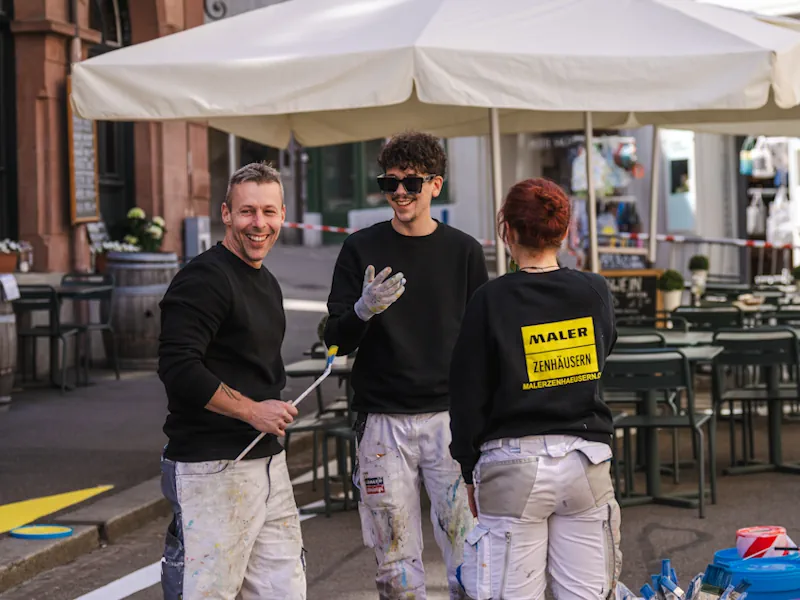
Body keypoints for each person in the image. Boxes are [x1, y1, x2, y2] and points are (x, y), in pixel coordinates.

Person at [324, 131, 489, 599]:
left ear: (436, 185)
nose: (399, 192)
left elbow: (482, 341)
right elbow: (334, 338)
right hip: (381, 422)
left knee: (470, 553)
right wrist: (360, 311)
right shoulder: (359, 248)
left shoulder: (463, 251)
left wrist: (483, 418)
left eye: (411, 183)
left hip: (449, 421)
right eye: (389, 182)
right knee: (394, 564)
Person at [449, 177, 622, 600]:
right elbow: (605, 350)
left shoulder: (490, 300)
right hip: (586, 461)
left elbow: (467, 393)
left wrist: (468, 468)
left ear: (506, 230)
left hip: (512, 464)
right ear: (564, 232)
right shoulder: (594, 290)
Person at [157, 162, 306, 600]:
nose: (258, 224)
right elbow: (177, 367)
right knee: (207, 594)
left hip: (265, 464)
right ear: (225, 214)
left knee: (284, 592)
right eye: (246, 212)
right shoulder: (205, 277)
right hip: (212, 467)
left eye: (268, 212)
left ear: (282, 215)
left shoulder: (267, 281)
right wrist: (252, 410)